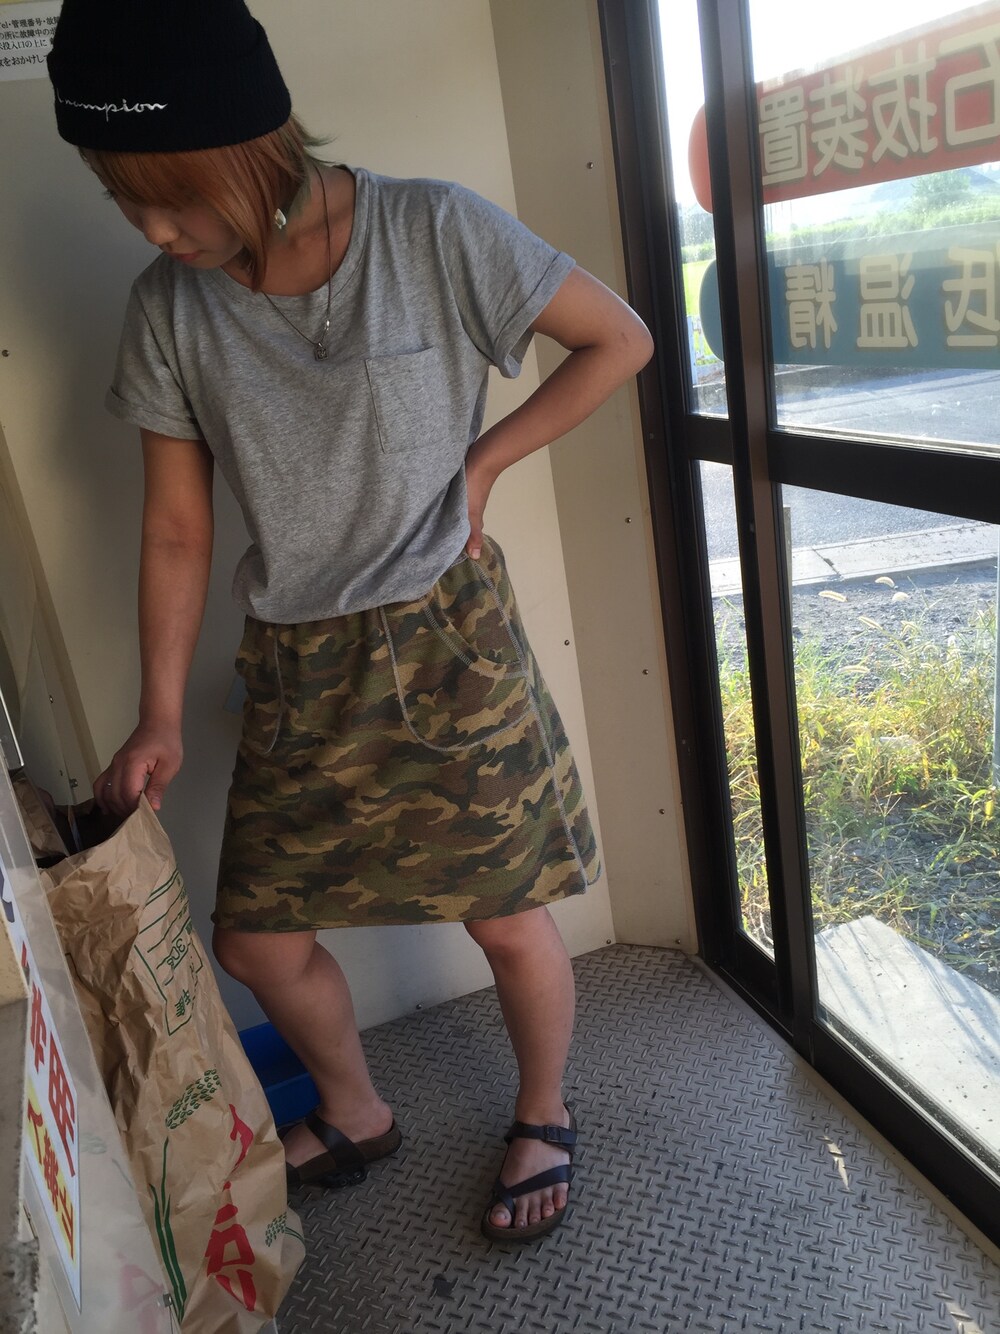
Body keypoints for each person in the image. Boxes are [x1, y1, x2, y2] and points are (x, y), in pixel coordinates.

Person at [48, 0, 652, 1244]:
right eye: (122, 198)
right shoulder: (170, 308)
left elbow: (618, 339)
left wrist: (483, 464)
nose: (153, 230)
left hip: (448, 640)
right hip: (299, 663)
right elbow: (178, 528)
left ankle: (544, 1109)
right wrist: (157, 715)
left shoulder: (433, 228)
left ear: (250, 142)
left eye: (171, 195)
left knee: (505, 912)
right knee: (256, 940)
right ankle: (358, 1109)